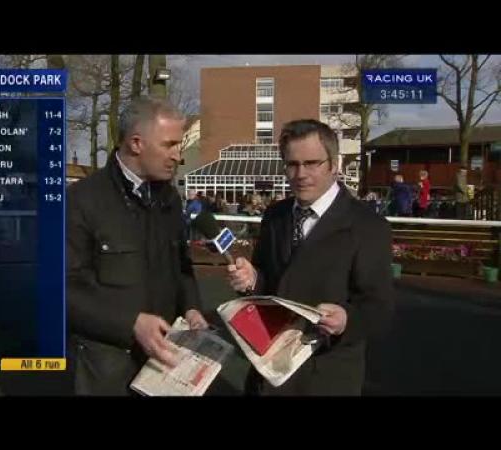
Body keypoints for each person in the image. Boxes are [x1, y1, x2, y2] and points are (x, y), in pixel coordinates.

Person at [227, 119, 394, 396]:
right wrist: (252, 279)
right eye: (292, 164)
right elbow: (268, 282)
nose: (301, 174)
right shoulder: (275, 215)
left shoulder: (368, 226)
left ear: (334, 164)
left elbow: (379, 307)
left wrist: (346, 320)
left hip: (324, 376)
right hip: (266, 372)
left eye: (312, 163)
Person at [67, 97, 208, 395]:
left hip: (163, 366)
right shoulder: (80, 201)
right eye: (169, 145)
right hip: (107, 371)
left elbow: (181, 268)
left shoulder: (170, 199)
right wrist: (130, 323)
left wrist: (191, 307)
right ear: (136, 143)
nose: (178, 156)